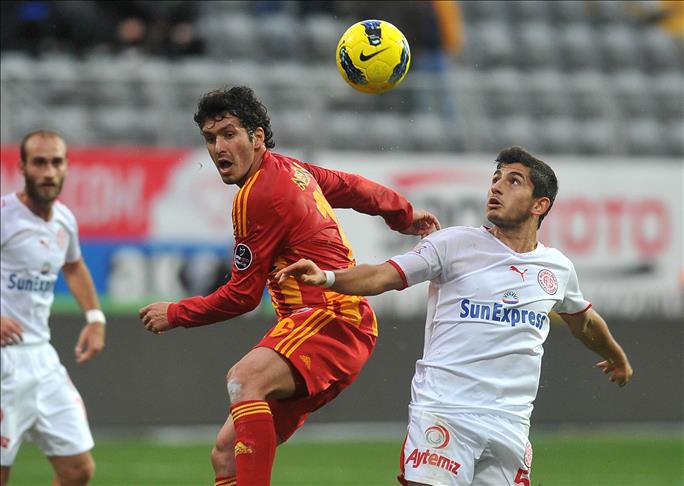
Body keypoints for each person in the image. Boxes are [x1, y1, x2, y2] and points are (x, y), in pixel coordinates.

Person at [276, 146, 633, 486]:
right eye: (496, 178)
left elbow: (584, 320)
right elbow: (382, 275)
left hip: (511, 423)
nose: (497, 187)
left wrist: (616, 357)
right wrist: (328, 277)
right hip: (446, 412)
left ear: (540, 204)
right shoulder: (452, 244)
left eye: (513, 181)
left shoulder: (557, 268)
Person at [138, 86, 440, 486]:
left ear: (257, 137)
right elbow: (350, 186)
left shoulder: (258, 195)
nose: (218, 148)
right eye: (210, 138)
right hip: (334, 326)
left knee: (245, 379)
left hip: (331, 319)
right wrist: (402, 213)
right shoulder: (289, 170)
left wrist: (176, 313)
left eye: (229, 134)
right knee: (227, 455)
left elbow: (243, 296)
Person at [1, 130, 106, 486]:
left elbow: (73, 266)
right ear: (22, 167)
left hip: (42, 359)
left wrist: (95, 318)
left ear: (66, 167)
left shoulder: (64, 219)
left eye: (56, 162)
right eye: (39, 162)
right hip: (3, 361)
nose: (48, 172)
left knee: (78, 470)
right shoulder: (5, 215)